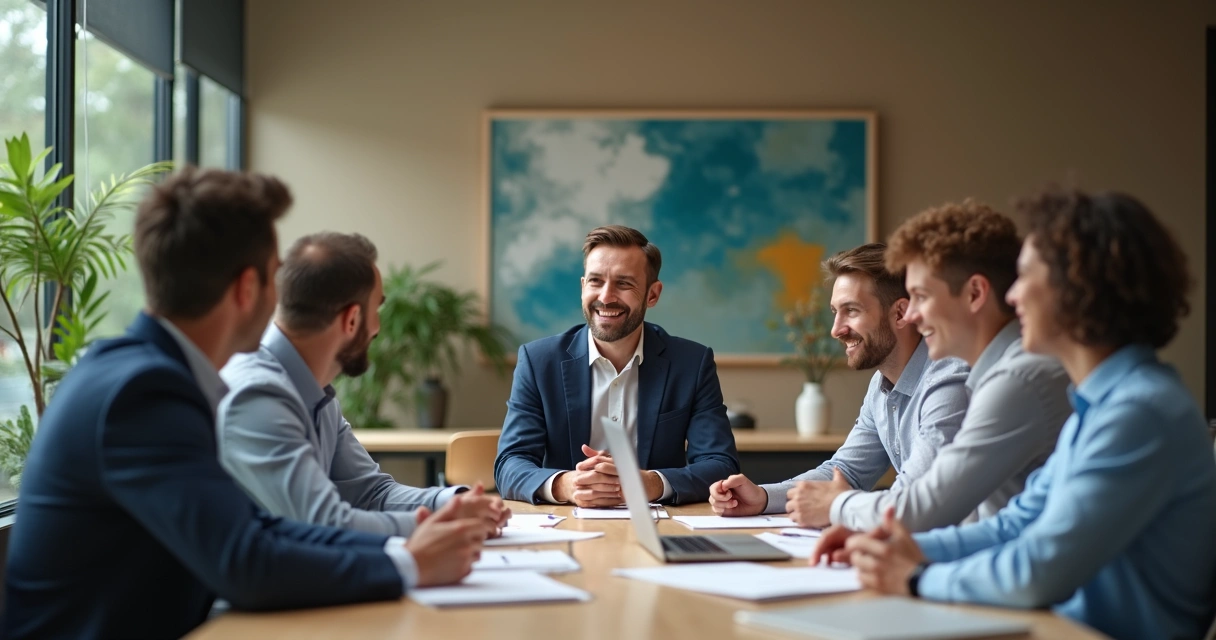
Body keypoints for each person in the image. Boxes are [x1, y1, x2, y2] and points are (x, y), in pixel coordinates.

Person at [3, 169, 491, 639]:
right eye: (275, 275)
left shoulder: (146, 374)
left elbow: (260, 529)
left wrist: (411, 548)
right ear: (246, 289)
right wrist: (408, 563)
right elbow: (244, 560)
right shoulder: (145, 394)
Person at [816, 187, 1216, 640]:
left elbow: (1040, 568)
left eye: (1026, 277)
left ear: (1078, 290)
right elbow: (1016, 524)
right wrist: (892, 546)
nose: (1014, 294)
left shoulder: (1138, 412)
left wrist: (915, 576)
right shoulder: (1100, 405)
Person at [218, 231, 509, 536]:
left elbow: (372, 493)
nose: (378, 328)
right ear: (353, 320)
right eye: (377, 309)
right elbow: (319, 523)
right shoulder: (256, 396)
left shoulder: (317, 395)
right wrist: (443, 523)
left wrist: (453, 503)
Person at [812, 201, 1071, 532]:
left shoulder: (1016, 382)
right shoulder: (993, 376)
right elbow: (1001, 530)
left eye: (921, 296)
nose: (911, 315)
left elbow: (922, 508)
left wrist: (837, 505)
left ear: (974, 293)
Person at [709, 244, 970, 527]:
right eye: (835, 311)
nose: (836, 329)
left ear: (900, 314)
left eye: (851, 311)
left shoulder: (948, 382)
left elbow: (913, 501)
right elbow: (845, 472)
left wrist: (836, 505)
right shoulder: (881, 386)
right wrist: (763, 497)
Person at [494, 225, 738, 506]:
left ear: (652, 294)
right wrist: (567, 485)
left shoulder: (692, 364)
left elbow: (721, 464)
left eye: (623, 284)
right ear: (583, 287)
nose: (606, 297)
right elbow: (510, 464)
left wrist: (651, 483)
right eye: (596, 281)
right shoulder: (538, 362)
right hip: (565, 521)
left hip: (658, 521)